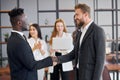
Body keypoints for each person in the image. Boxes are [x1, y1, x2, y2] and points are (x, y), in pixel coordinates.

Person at [53, 3, 105, 80]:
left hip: (90, 76)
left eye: (77, 15)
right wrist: (57, 59)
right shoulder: (80, 32)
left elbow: (100, 60)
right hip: (78, 74)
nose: (75, 17)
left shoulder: (98, 31)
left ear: (86, 14)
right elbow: (74, 53)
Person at [7, 8, 54, 80]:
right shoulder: (19, 42)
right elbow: (31, 65)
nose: (28, 23)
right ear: (19, 23)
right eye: (26, 20)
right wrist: (51, 60)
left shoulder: (14, 39)